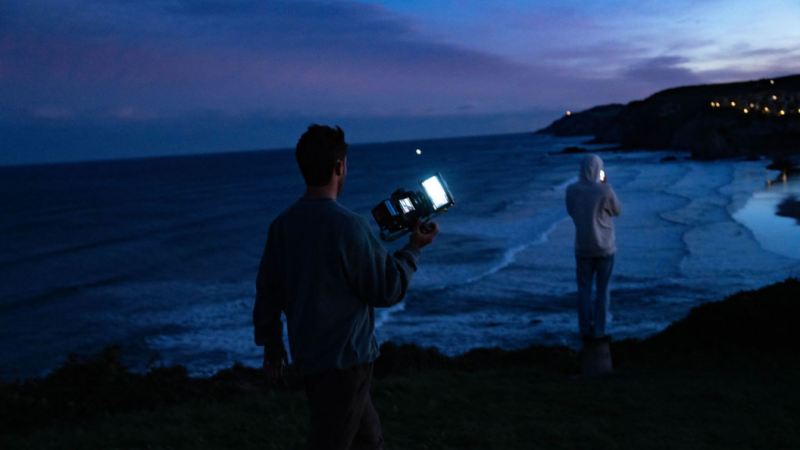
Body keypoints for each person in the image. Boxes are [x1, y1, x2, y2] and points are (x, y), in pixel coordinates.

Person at [253, 124, 439, 450]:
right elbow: (387, 289)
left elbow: (268, 293)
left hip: (309, 357)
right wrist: (414, 249)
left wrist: (272, 346)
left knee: (368, 438)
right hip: (346, 361)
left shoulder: (282, 226)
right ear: (340, 166)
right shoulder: (348, 226)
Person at [565, 154, 621, 374]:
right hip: (605, 247)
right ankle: (599, 329)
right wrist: (605, 185)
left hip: (583, 247)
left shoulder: (572, 190)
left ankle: (584, 328)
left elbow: (571, 212)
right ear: (598, 168)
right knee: (603, 290)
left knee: (584, 290)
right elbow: (617, 210)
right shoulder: (604, 190)